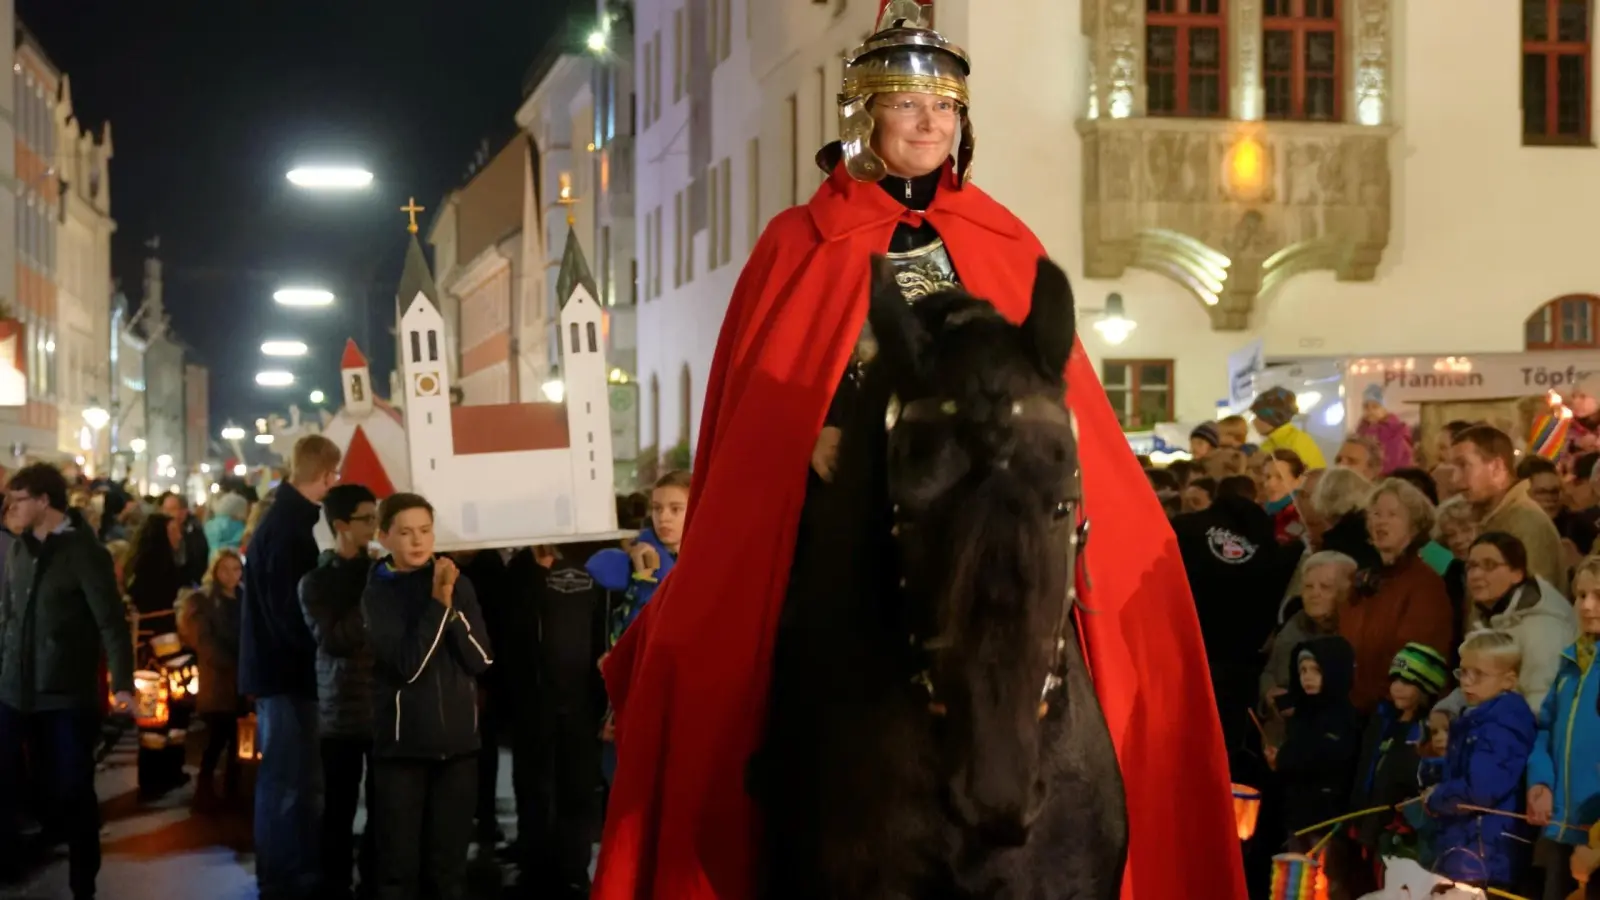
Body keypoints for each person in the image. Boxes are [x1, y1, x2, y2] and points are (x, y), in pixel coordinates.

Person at [591, 2, 1245, 897]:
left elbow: (1051, 382)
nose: (931, 122)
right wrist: (809, 437)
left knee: (1140, 581)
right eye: (907, 105)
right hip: (851, 496)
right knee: (698, 641)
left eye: (945, 107)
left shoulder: (1004, 240)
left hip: (991, 488)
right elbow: (766, 394)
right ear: (866, 119)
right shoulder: (798, 243)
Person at [0, 463, 134, 899]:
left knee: (75, 790)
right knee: (17, 783)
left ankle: (83, 885)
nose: (9, 508)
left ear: (43, 502)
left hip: (64, 697)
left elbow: (111, 623)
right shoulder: (18, 550)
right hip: (14, 691)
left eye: (18, 500)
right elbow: (9, 617)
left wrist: (122, 686)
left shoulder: (84, 552)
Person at [364, 493, 492, 900]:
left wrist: (452, 605)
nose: (417, 541)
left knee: (449, 870)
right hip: (402, 752)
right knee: (399, 871)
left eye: (425, 531)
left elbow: (482, 658)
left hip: (457, 750)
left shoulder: (456, 582)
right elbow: (409, 665)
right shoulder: (378, 591)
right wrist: (439, 604)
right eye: (405, 532)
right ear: (384, 537)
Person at [240, 434, 342, 900]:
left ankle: (284, 871)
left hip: (277, 672)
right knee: (289, 781)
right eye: (332, 476)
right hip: (287, 675)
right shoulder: (289, 531)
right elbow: (290, 613)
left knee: (287, 779)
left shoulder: (281, 523)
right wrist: (317, 652)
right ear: (324, 476)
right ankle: (285, 875)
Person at [298, 483, 379, 900]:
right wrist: (373, 592)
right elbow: (336, 639)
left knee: (385, 809)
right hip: (341, 713)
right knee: (339, 808)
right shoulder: (316, 583)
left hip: (384, 709)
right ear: (342, 526)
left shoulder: (382, 572)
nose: (376, 527)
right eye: (368, 519)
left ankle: (373, 877)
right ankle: (334, 882)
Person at [1424, 629, 1536, 889]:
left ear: (1509, 680)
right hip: (1468, 849)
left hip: (1485, 854)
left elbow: (1481, 790)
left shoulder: (1503, 724)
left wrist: (1438, 797)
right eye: (1463, 672)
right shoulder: (1477, 718)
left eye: (1479, 674)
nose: (1467, 681)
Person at [1527, 556, 1600, 900]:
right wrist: (1540, 780)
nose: (1587, 606)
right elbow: (1545, 728)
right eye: (1580, 595)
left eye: (1599, 595)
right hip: (1561, 826)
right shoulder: (1570, 662)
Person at [1451, 424, 1565, 590]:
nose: (1454, 479)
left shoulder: (1527, 523)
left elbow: (1531, 603)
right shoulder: (1491, 517)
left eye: (1463, 465)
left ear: (1497, 467)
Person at [179, 548, 245, 811]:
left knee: (239, 739)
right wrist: (231, 663)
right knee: (217, 737)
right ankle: (205, 790)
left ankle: (232, 790)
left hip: (241, 680)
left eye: (236, 569)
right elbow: (204, 642)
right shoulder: (203, 601)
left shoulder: (245, 598)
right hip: (219, 681)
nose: (231, 575)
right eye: (225, 569)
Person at [1250, 386, 1328, 469]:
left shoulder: (1295, 443)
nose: (1253, 421)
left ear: (1270, 419)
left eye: (1257, 416)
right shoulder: (1270, 443)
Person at [162, 491, 211, 586]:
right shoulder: (158, 531)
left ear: (183, 512)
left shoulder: (194, 533)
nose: (166, 513)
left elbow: (199, 561)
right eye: (165, 509)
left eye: (171, 509)